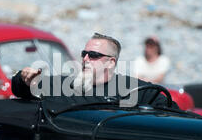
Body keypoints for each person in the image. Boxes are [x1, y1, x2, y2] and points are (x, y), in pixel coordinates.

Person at [11, 32, 177, 108]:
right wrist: (24, 78)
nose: (85, 59)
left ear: (111, 62)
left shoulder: (135, 89)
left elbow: (171, 111)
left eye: (94, 55)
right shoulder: (64, 85)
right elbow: (19, 88)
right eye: (84, 53)